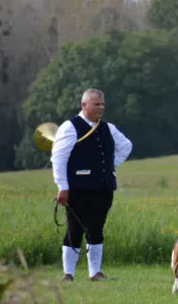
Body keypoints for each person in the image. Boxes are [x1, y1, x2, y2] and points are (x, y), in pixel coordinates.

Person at [51, 88, 133, 282]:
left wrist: (110, 167)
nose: (101, 108)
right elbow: (59, 158)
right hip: (78, 188)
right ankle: (68, 274)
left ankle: (95, 273)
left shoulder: (108, 128)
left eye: (103, 104)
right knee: (74, 229)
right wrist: (63, 187)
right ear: (84, 105)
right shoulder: (70, 127)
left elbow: (126, 145)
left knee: (96, 229)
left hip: (103, 187)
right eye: (97, 104)